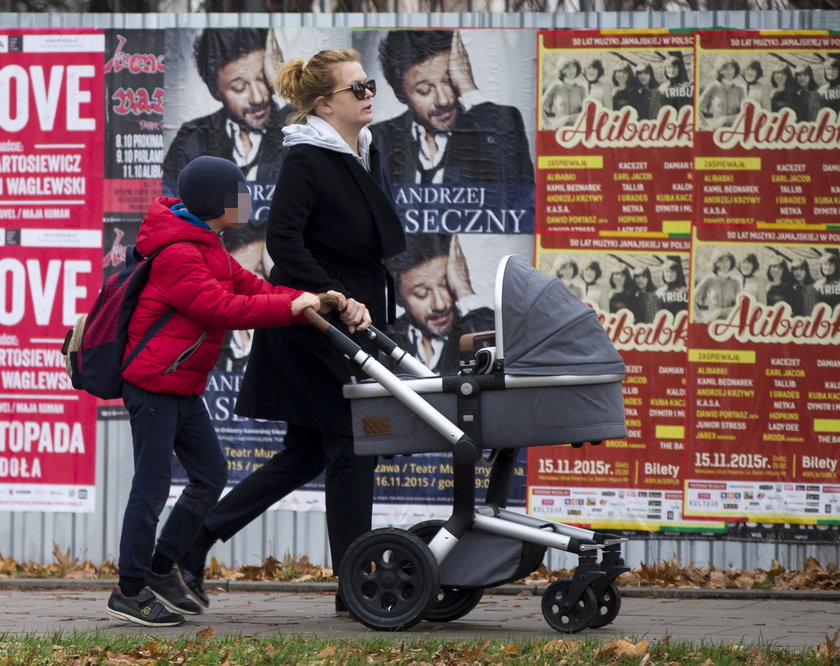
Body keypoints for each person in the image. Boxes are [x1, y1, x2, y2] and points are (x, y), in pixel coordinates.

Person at [179, 48, 405, 614]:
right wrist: (334, 295)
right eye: (357, 89)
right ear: (325, 103)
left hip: (352, 315)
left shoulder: (365, 149)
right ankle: (357, 587)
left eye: (369, 84)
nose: (369, 94)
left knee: (307, 454)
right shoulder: (309, 157)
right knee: (354, 447)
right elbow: (283, 243)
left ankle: (193, 541)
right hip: (316, 321)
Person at [107, 156, 338, 627]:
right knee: (150, 489)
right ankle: (129, 590)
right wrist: (291, 307)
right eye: (238, 191)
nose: (247, 198)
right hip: (152, 385)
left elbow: (249, 286)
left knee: (211, 473)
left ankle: (160, 567)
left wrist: (309, 300)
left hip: (181, 384)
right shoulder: (177, 253)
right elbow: (220, 308)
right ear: (217, 201)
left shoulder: (206, 246)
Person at [369, 29, 534, 185]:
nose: (443, 100)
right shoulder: (378, 140)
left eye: (449, 81)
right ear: (400, 94)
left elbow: (518, 195)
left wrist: (469, 89)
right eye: (424, 90)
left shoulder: (498, 126)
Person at [161, 28, 293, 193]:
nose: (258, 98)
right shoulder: (193, 138)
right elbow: (173, 207)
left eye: (263, 78)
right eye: (240, 87)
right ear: (215, 91)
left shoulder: (294, 125)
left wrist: (282, 87)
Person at [386, 233, 495, 376]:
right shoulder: (388, 338)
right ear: (399, 298)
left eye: (446, 285)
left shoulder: (474, 327)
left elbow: (502, 356)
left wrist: (464, 291)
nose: (440, 305)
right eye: (422, 293)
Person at [699, 57, 745, 130]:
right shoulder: (713, 87)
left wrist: (725, 119)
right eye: (726, 68)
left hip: (736, 130)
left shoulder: (740, 89)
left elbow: (745, 113)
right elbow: (696, 108)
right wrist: (706, 126)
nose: (729, 71)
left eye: (731, 67)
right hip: (716, 131)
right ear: (720, 71)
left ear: (735, 70)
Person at [694, 248, 739, 322]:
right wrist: (700, 317)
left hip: (731, 324)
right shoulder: (709, 280)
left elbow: (739, 306)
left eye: (727, 260)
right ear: (716, 263)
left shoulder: (736, 283)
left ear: (731, 262)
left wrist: (720, 312)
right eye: (721, 260)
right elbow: (691, 301)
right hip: (711, 324)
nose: (725, 263)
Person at [542, 57, 586, 128]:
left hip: (578, 131)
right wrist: (547, 123)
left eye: (573, 66)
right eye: (567, 67)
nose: (571, 70)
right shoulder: (556, 86)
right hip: (559, 131)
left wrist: (567, 118)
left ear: (577, 68)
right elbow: (538, 106)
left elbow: (587, 112)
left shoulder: (582, 88)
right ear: (562, 70)